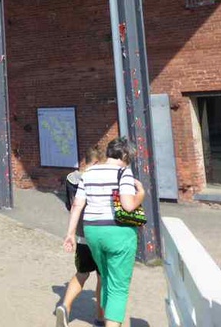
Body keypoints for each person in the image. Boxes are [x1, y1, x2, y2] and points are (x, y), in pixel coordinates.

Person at [62, 137, 146, 327]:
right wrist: (140, 194)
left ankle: (102, 319)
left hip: (92, 231)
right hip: (118, 232)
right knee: (119, 287)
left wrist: (70, 233)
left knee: (106, 278)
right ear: (124, 154)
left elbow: (77, 204)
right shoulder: (123, 172)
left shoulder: (89, 172)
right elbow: (128, 205)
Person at [56, 145, 105, 327]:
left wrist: (70, 233)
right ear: (98, 161)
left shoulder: (72, 179)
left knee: (82, 273)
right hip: (99, 233)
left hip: (81, 235)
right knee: (102, 277)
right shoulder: (98, 179)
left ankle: (65, 306)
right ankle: (100, 318)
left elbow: (72, 206)